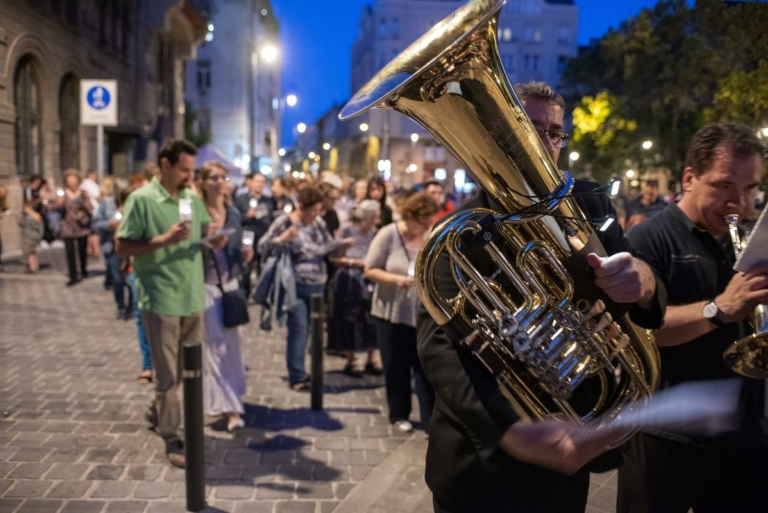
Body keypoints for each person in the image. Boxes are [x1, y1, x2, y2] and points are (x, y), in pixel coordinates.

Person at [417, 81, 666, 513]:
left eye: (555, 132)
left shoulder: (591, 204)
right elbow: (439, 344)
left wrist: (645, 282)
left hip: (568, 449)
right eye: (530, 127)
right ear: (498, 133)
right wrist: (509, 426)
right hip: (480, 460)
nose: (545, 142)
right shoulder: (461, 231)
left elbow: (641, 288)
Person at [617, 123, 768, 513]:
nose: (740, 203)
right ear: (689, 178)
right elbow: (640, 333)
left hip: (741, 432)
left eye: (750, 189)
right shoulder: (648, 239)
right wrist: (719, 308)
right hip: (665, 437)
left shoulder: (751, 239)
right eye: (724, 186)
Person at [116, 139, 227, 467]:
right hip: (161, 296)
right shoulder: (142, 199)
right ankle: (171, 436)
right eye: (184, 169)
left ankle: (157, 410)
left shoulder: (190, 196)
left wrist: (214, 238)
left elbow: (203, 231)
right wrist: (162, 240)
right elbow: (123, 246)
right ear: (165, 165)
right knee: (166, 376)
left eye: (192, 170)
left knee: (182, 371)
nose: (189, 176)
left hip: (192, 295)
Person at [258, 186, 353, 391]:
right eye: (313, 210)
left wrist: (341, 245)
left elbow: (327, 245)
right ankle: (297, 375)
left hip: (318, 284)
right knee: (299, 328)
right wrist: (282, 239)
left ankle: (310, 370)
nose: (316, 215)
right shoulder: (285, 221)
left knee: (314, 331)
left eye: (319, 210)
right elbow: (262, 246)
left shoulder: (318, 222)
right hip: (295, 284)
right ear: (302, 206)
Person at [365, 192, 439, 433]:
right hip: (391, 312)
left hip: (421, 313)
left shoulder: (429, 235)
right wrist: (396, 279)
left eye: (430, 221)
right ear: (411, 216)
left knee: (425, 369)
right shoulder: (389, 234)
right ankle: (399, 414)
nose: (427, 226)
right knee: (395, 366)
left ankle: (430, 422)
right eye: (424, 221)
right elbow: (370, 269)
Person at [199, 161, 252, 433]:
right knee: (214, 350)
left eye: (223, 176)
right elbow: (187, 248)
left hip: (230, 285)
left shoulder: (231, 212)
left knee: (233, 347)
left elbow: (238, 244)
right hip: (206, 286)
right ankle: (230, 407)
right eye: (213, 177)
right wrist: (205, 243)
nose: (220, 181)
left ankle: (233, 398)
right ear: (203, 181)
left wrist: (244, 254)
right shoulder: (197, 212)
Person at [328, 199, 383, 377]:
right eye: (375, 217)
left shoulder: (376, 233)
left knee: (370, 318)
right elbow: (334, 258)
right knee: (349, 317)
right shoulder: (347, 230)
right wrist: (355, 262)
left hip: (369, 279)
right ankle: (352, 359)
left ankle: (372, 357)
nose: (377, 220)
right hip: (349, 278)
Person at [233, 171, 275, 297]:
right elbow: (235, 219)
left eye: (262, 182)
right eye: (257, 181)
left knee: (264, 270)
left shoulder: (268, 200)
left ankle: (263, 297)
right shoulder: (241, 200)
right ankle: (244, 298)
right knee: (246, 270)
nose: (260, 185)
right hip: (247, 240)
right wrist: (247, 216)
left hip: (263, 239)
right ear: (249, 182)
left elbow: (272, 218)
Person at [92, 177, 129, 318]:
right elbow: (95, 223)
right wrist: (109, 224)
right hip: (111, 247)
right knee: (117, 279)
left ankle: (132, 303)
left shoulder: (132, 204)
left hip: (129, 247)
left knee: (130, 281)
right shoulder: (106, 204)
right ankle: (121, 306)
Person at [59, 169, 93, 286]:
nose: (72, 183)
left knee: (82, 250)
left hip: (81, 225)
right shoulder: (63, 193)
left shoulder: (83, 193)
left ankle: (83, 269)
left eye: (74, 180)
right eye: (69, 181)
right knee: (69, 251)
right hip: (67, 226)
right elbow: (52, 207)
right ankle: (72, 275)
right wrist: (58, 202)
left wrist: (82, 203)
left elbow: (90, 208)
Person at [17, 199, 43, 273]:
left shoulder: (29, 216)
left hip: (29, 237)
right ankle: (35, 266)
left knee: (30, 254)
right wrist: (39, 236)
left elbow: (20, 222)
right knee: (33, 253)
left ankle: (33, 267)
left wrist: (20, 215)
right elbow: (41, 228)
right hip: (33, 237)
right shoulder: (36, 215)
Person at [80, 169, 101, 257]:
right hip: (94, 210)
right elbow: (97, 197)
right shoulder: (92, 185)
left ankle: (89, 250)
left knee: (89, 232)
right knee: (95, 232)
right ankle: (96, 250)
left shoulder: (82, 184)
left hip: (86, 211)